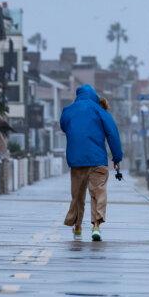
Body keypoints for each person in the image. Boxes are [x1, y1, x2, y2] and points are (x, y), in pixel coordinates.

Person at [59, 84, 123, 241]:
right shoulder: (100, 110)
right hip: (97, 160)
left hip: (77, 161)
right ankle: (96, 226)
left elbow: (64, 126)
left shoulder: (68, 110)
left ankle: (78, 226)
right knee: (98, 193)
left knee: (77, 196)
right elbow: (112, 134)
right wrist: (116, 158)